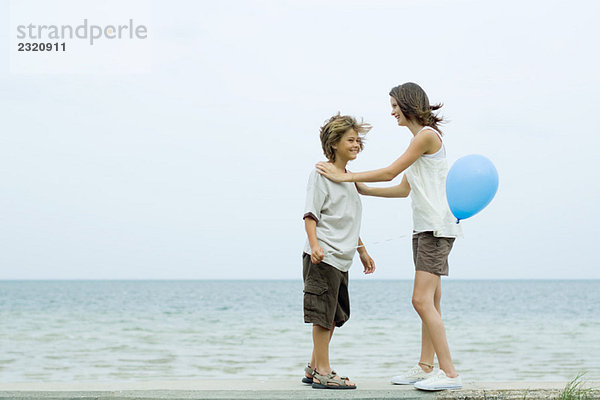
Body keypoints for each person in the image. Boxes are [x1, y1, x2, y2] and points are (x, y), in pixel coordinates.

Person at [315, 83, 463, 391]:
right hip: (426, 228)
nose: (392, 111)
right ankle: (426, 366)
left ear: (407, 104)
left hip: (436, 229)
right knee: (432, 301)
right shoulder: (419, 141)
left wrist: (346, 176)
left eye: (394, 105)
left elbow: (389, 172)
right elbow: (403, 188)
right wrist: (364, 190)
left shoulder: (425, 136)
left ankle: (449, 374)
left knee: (420, 300)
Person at [302, 113, 376, 390]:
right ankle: (324, 371)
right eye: (351, 140)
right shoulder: (321, 173)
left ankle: (313, 367)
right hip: (323, 256)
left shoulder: (349, 178)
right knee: (323, 316)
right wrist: (315, 245)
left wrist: (362, 251)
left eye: (358, 140)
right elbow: (311, 215)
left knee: (333, 316)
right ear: (334, 143)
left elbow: (346, 219)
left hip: (342, 259)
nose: (356, 144)